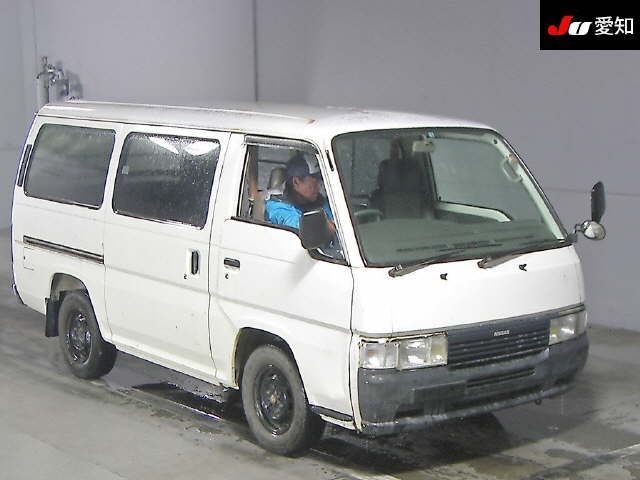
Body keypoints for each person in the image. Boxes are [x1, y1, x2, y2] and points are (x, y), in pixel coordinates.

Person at [265, 152, 336, 234]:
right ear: (296, 182)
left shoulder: (317, 200)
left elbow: (335, 218)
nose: (319, 186)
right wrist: (326, 228)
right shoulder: (276, 206)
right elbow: (299, 228)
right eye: (314, 182)